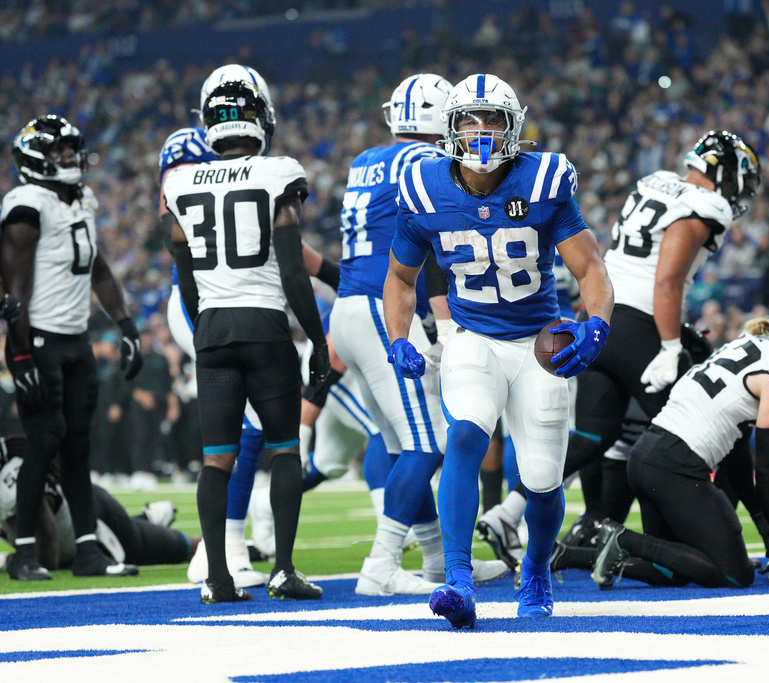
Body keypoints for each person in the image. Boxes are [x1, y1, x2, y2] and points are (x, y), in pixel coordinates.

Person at [383, 73, 614, 627]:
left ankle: (535, 569)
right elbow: (398, 277)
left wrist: (597, 325)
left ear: (515, 128)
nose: (481, 131)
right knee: (463, 434)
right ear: (451, 127)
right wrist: (397, 337)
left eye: (494, 120)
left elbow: (590, 267)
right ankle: (458, 579)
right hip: (472, 337)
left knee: (540, 480)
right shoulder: (422, 186)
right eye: (469, 119)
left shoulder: (543, 181)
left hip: (538, 343)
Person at [476, 131, 762, 563]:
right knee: (701, 430)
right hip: (641, 324)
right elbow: (665, 280)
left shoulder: (655, 182)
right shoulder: (707, 204)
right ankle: (715, 538)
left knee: (593, 435)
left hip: (600, 317)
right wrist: (669, 346)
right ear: (725, 172)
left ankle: (509, 512)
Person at [164, 79, 329, 603]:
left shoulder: (181, 180)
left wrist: (205, 324)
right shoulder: (279, 172)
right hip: (263, 327)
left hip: (212, 330)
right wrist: (318, 343)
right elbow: (293, 270)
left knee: (216, 459)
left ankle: (217, 578)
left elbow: (185, 273)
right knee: (283, 451)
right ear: (260, 118)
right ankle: (281, 569)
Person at [583, 282, 769, 591]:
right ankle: (623, 538)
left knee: (678, 567)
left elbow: (739, 459)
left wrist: (767, 529)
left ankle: (580, 554)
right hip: (675, 464)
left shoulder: (751, 343)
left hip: (646, 456)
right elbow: (767, 468)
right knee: (735, 574)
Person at [330, 73, 464, 597]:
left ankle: (434, 559)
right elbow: (428, 247)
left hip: (348, 307)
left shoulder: (366, 160)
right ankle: (381, 563)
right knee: (428, 444)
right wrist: (447, 324)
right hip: (379, 311)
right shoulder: (428, 164)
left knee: (401, 439)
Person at [1, 115, 143, 581]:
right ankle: (24, 552)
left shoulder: (80, 200)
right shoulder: (27, 206)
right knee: (43, 445)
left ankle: (87, 551)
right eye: (58, 151)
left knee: (79, 448)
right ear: (36, 159)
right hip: (37, 339)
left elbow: (98, 269)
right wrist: (19, 358)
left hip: (76, 341)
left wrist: (124, 322)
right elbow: (12, 294)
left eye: (71, 149)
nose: (68, 158)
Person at [0, 434, 199, 571]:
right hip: (73, 536)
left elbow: (47, 555)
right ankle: (146, 518)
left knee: (168, 547)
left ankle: (217, 546)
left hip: (98, 521)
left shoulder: (14, 481)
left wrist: (6, 562)